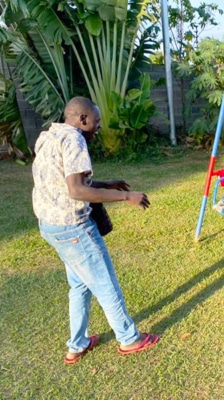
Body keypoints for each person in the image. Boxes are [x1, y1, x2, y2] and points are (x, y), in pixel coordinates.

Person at [32, 97, 159, 364]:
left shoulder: (48, 136)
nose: (98, 128)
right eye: (96, 122)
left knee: (79, 285)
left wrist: (107, 184)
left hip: (51, 226)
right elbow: (76, 190)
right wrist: (126, 197)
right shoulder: (75, 139)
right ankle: (129, 339)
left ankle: (77, 345)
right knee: (105, 284)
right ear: (82, 119)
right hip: (74, 229)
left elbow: (64, 181)